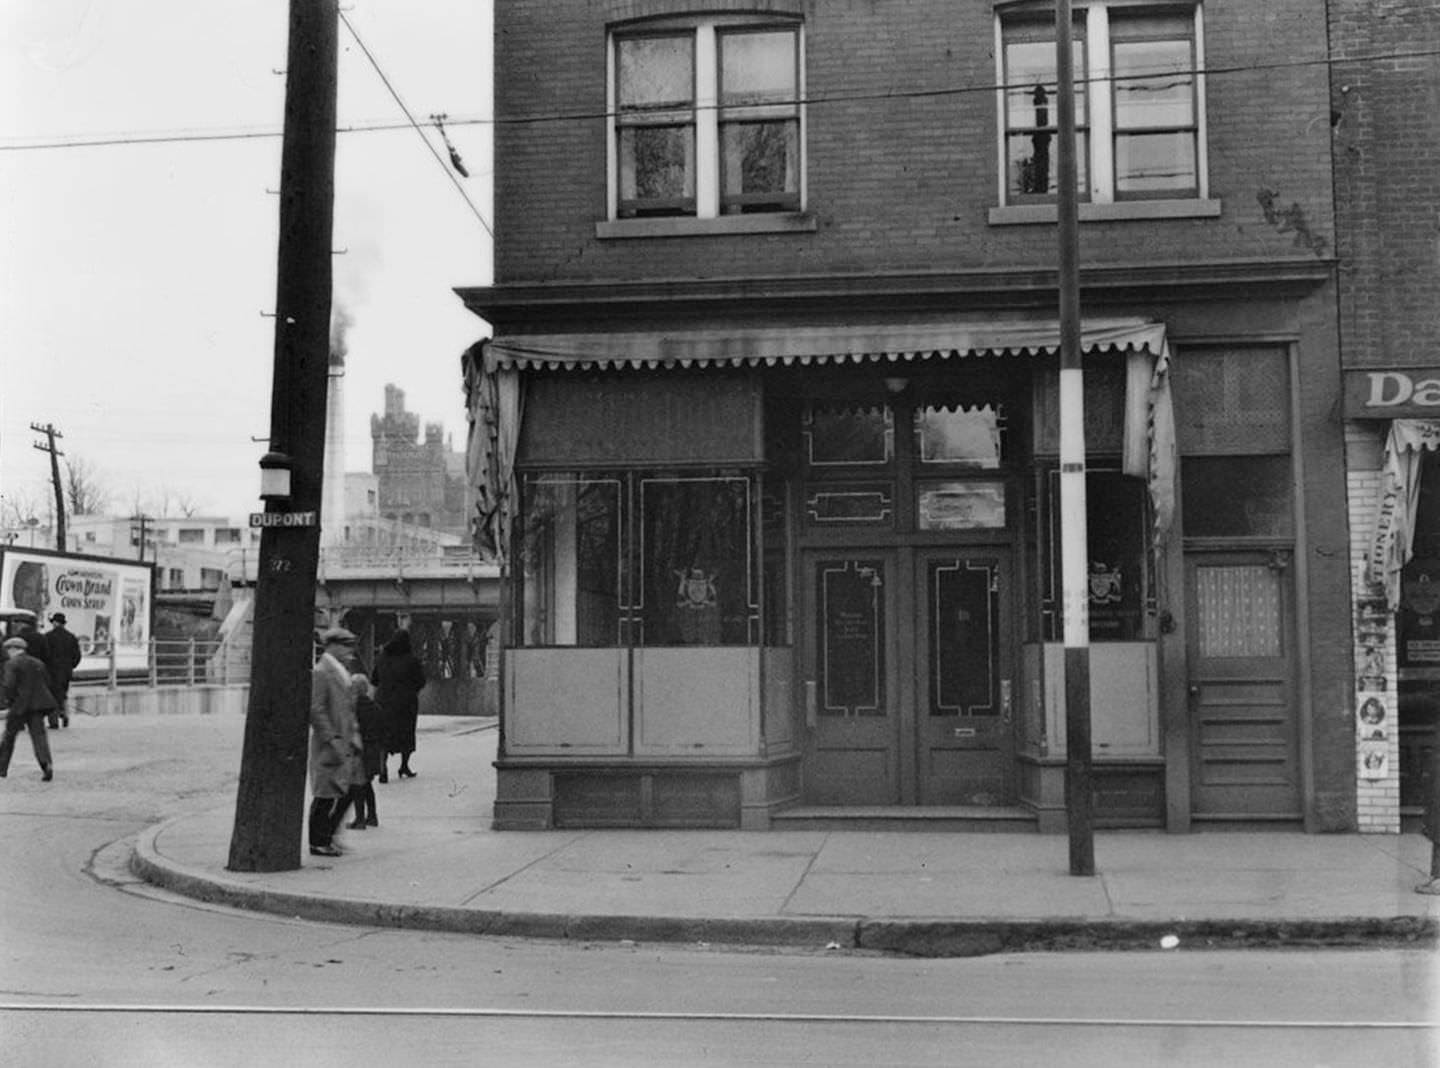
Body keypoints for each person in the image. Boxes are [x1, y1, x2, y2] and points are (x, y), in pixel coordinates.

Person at [308, 627, 362, 857]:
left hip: (345, 742)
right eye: (346, 645)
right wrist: (332, 739)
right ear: (333, 645)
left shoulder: (339, 670)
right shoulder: (322, 671)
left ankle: (328, 836)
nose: (350, 651)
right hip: (330, 744)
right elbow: (316, 709)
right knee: (325, 795)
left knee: (347, 789)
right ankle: (319, 842)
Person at [0, 636, 56, 781]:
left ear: (13, 649)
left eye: (8, 649)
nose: (7, 652)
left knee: (9, 736)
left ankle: (2, 768)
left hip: (20, 706)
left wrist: (9, 702)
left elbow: (9, 685)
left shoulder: (11, 664)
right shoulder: (37, 662)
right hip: (37, 706)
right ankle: (46, 764)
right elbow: (47, 682)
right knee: (39, 736)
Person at [376, 629, 426, 780]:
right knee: (406, 736)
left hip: (384, 703)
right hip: (406, 704)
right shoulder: (412, 660)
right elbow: (421, 681)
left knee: (385, 736)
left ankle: (382, 768)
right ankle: (404, 766)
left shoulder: (382, 659)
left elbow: (374, 679)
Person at [345, 656, 383, 830]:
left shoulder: (352, 709)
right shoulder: (375, 707)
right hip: (373, 750)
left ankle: (359, 819)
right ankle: (372, 816)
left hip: (358, 750)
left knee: (357, 786)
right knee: (367, 784)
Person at [43, 613, 82, 729]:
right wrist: (71, 666)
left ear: (55, 623)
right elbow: (77, 655)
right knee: (63, 694)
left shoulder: (48, 637)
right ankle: (65, 715)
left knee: (52, 695)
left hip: (52, 671)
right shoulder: (71, 637)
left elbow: (45, 654)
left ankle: (53, 721)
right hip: (66, 672)